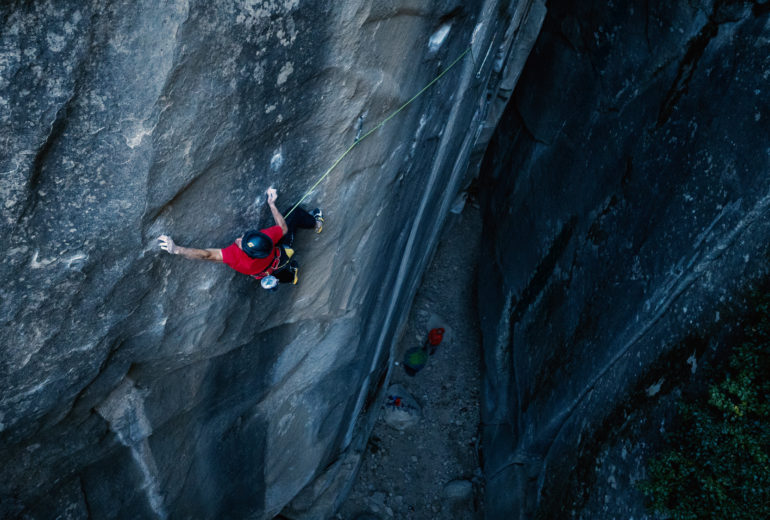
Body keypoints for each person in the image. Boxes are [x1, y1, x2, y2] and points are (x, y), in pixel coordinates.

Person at [158, 187, 323, 286]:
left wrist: (177, 250)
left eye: (241, 242)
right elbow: (283, 228)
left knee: (271, 272)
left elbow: (206, 255)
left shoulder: (235, 257)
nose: (238, 239)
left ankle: (291, 275)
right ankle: (315, 224)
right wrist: (272, 205)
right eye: (242, 239)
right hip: (275, 258)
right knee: (293, 213)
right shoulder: (267, 238)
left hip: (262, 271)